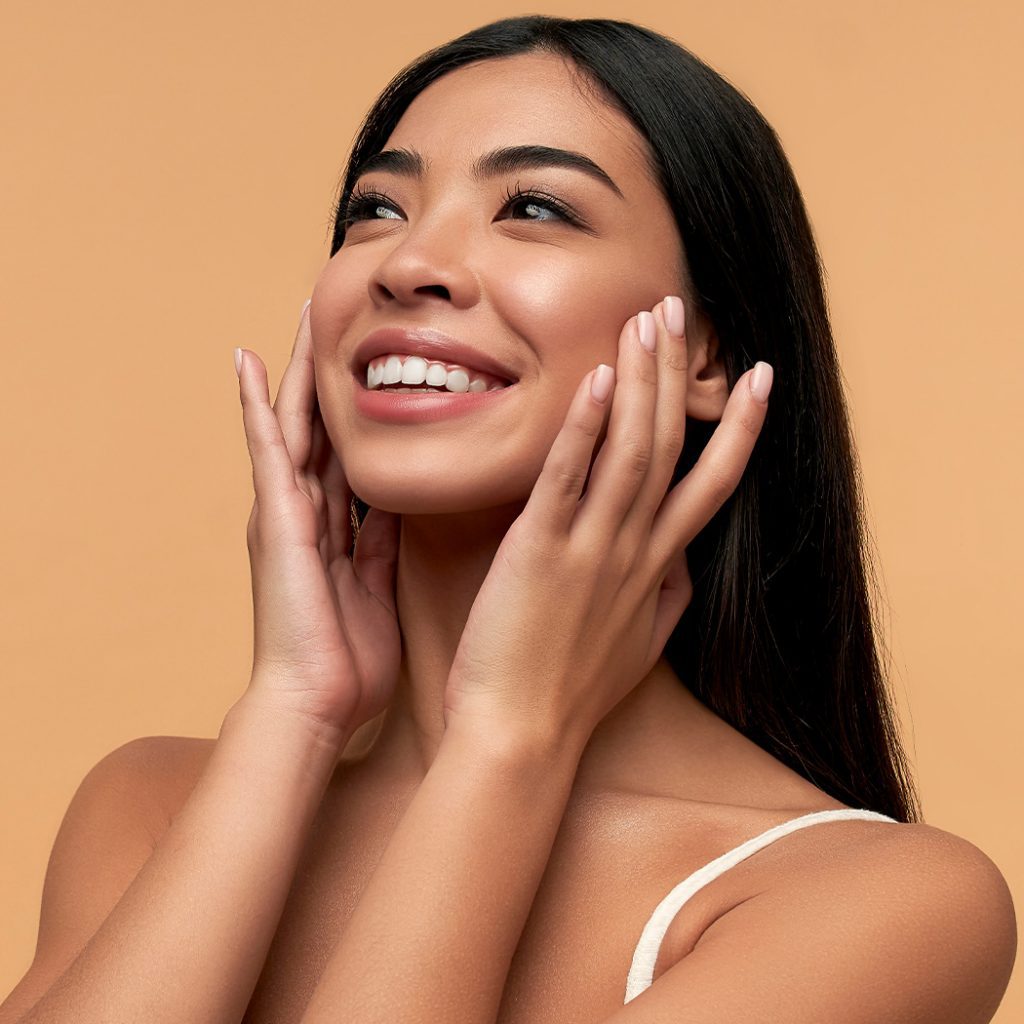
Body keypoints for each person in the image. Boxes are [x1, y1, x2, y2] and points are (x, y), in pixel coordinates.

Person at [0, 14, 1015, 1024]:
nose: (407, 264)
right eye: (376, 209)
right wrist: (293, 710)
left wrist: (507, 740)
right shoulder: (151, 806)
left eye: (531, 205)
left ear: (705, 353)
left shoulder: (875, 902)